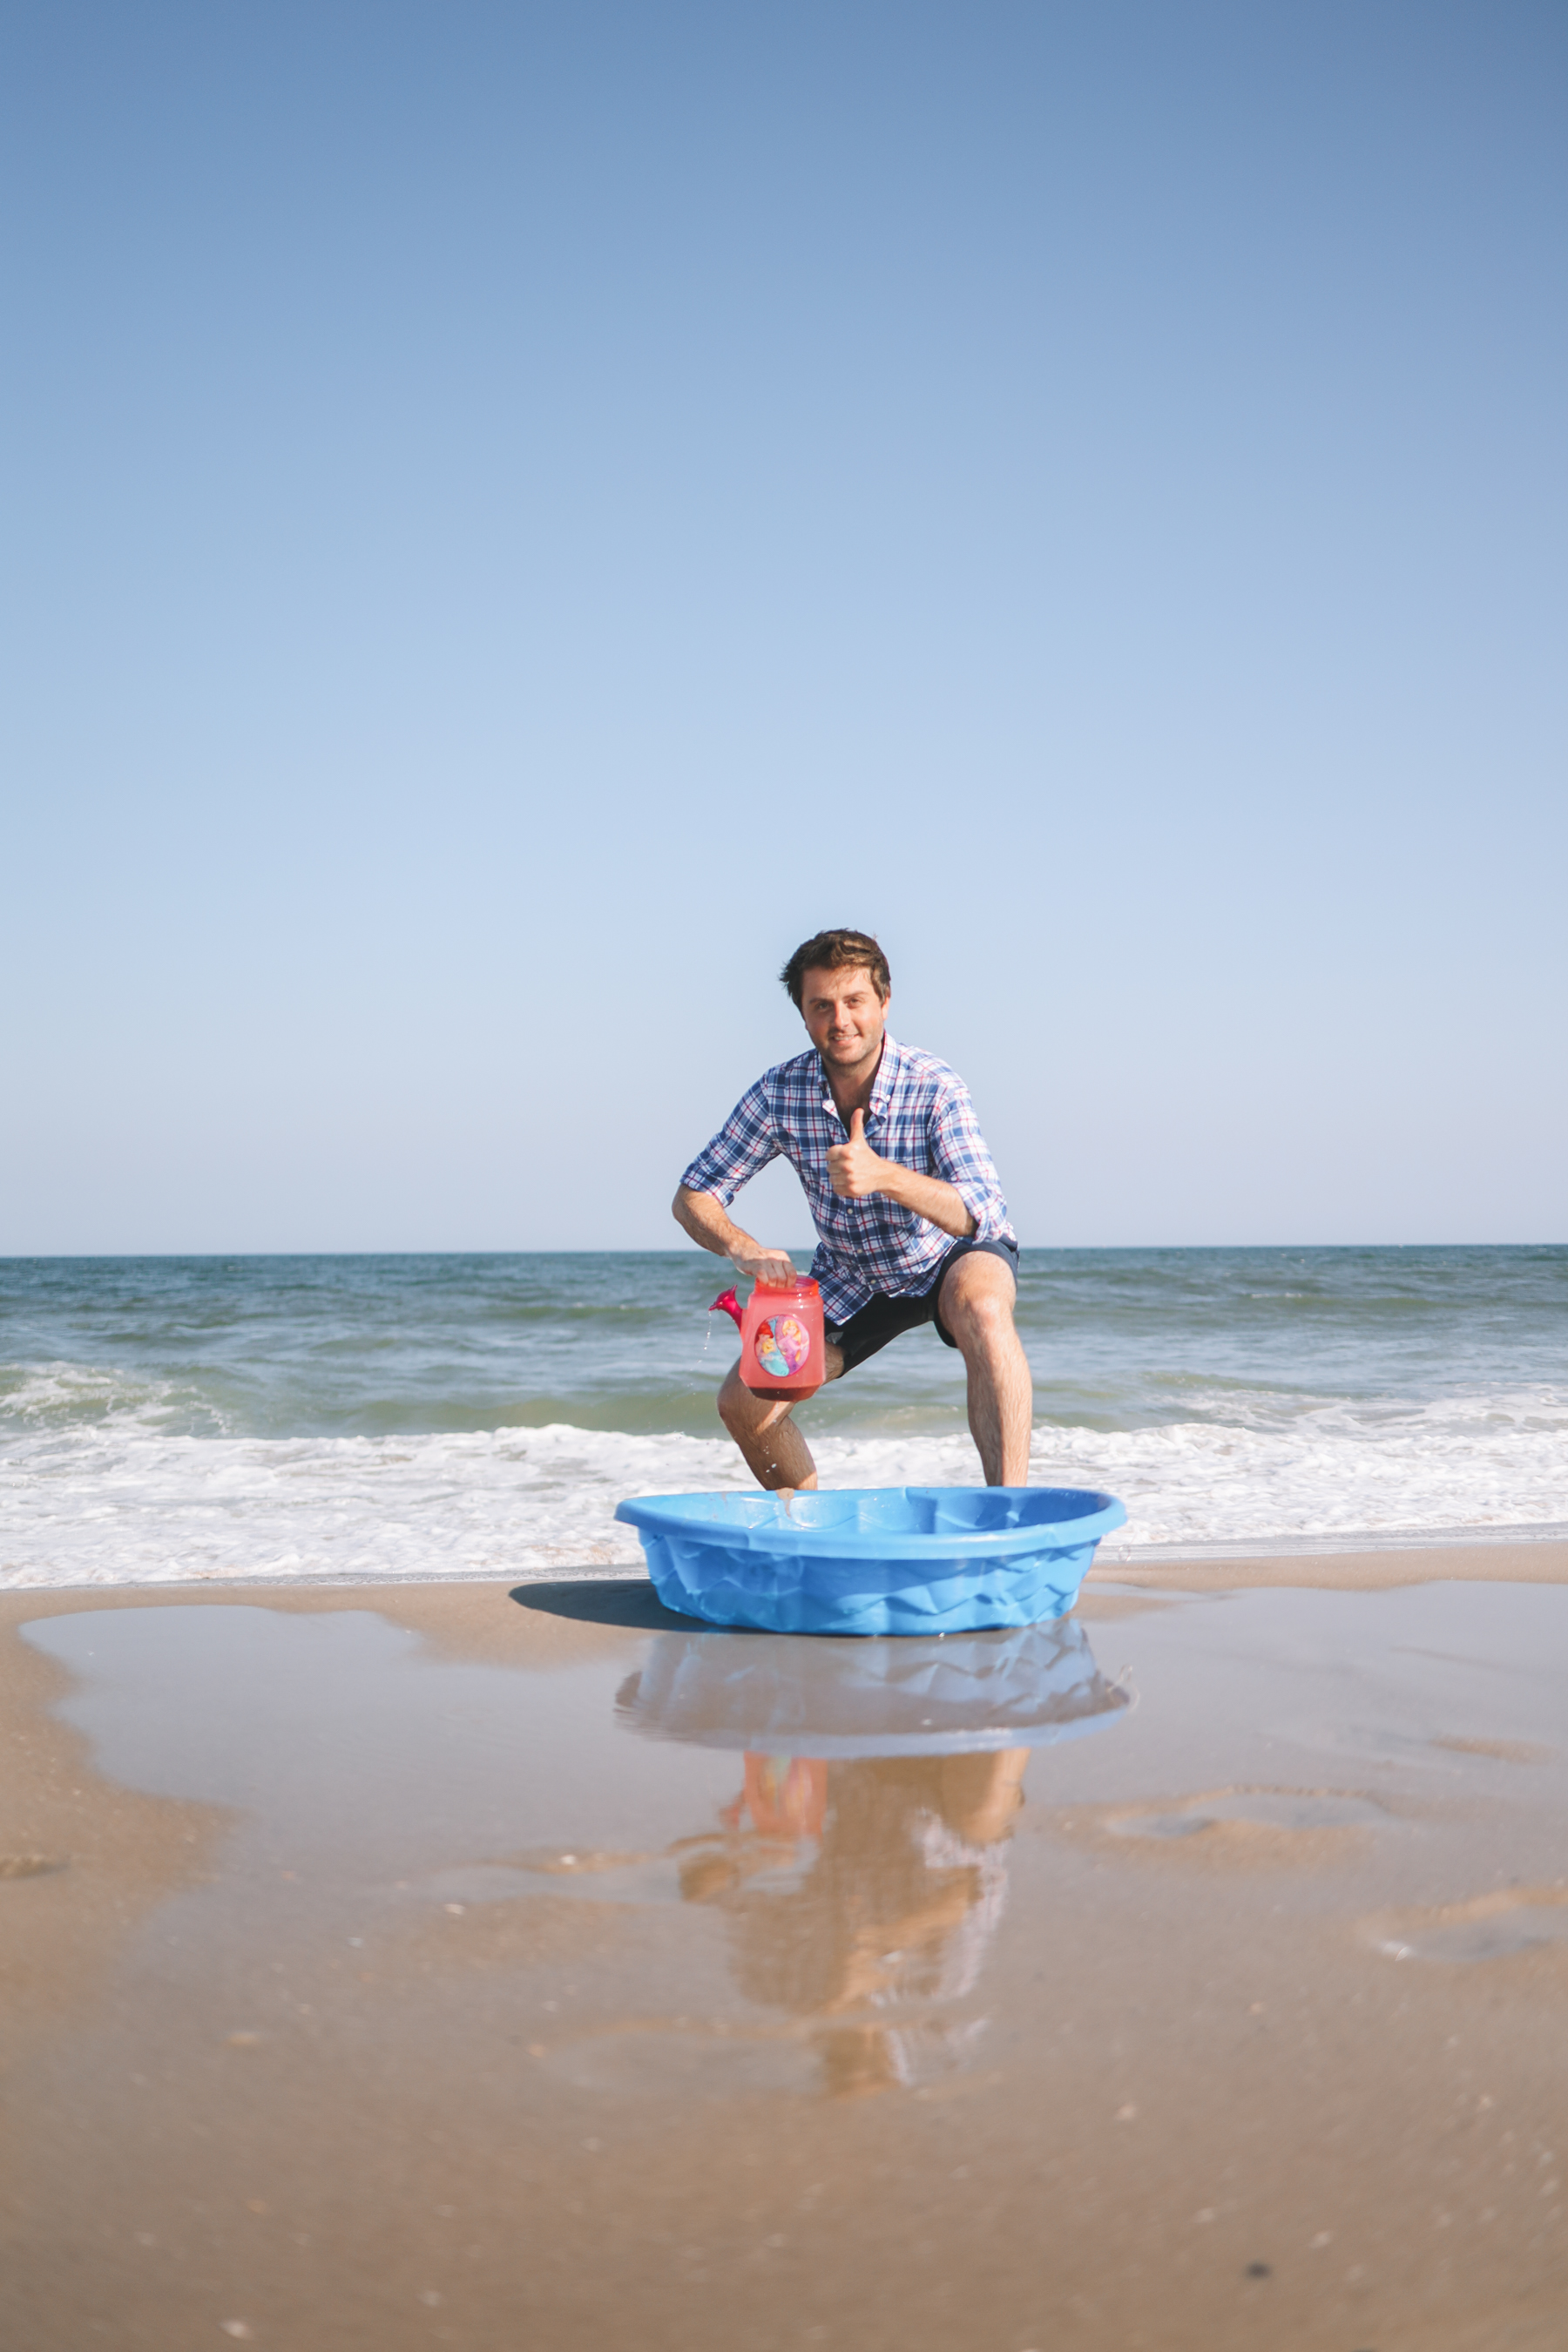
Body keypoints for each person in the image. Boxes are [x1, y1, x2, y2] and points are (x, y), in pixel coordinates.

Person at [672, 927, 1032, 1489]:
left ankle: (1010, 1514)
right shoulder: (780, 1092)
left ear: (884, 1003)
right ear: (804, 1016)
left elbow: (977, 1213)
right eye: (821, 1006)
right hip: (854, 1276)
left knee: (983, 1306)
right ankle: (812, 1535)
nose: (840, 1020)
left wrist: (883, 1176)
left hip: (948, 1257)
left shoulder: (935, 1086)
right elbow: (694, 1193)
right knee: (743, 1402)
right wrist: (739, 1246)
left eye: (854, 1001)